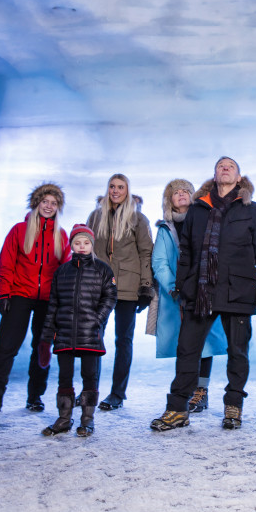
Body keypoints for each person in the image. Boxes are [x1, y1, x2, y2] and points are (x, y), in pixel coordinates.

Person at [150, 157, 256, 431]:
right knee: (187, 350)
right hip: (201, 291)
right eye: (220, 166)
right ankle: (177, 408)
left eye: (230, 166)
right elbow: (187, 253)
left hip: (238, 292)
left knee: (238, 352)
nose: (225, 168)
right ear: (214, 176)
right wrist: (183, 287)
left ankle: (233, 407)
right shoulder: (198, 209)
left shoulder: (254, 210)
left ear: (239, 178)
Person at [0, 183, 70, 414]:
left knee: (42, 348)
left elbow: (64, 269)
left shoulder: (61, 235)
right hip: (20, 295)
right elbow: (6, 263)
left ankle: (35, 397)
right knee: (5, 347)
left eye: (54, 203)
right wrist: (5, 293)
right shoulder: (19, 230)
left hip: (48, 299)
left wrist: (61, 300)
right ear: (36, 203)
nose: (49, 206)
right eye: (45, 201)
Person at [145, 179, 227, 413]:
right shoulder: (165, 229)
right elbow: (159, 262)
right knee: (186, 344)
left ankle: (201, 390)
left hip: (204, 289)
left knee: (206, 340)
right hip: (176, 295)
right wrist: (174, 287)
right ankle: (185, 390)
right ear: (169, 199)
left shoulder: (207, 220)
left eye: (186, 191)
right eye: (176, 192)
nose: (181, 195)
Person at [37, 224, 117, 437]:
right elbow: (53, 304)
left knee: (89, 376)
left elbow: (110, 297)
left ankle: (87, 420)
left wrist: (97, 319)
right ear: (71, 245)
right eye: (77, 243)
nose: (82, 247)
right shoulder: (62, 272)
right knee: (64, 377)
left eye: (86, 243)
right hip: (64, 334)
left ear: (92, 245)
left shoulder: (103, 270)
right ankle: (64, 418)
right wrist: (46, 338)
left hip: (89, 334)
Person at [86, 174, 154, 410]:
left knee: (123, 340)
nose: (115, 191)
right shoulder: (96, 217)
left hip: (128, 286)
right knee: (93, 338)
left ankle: (117, 393)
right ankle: (90, 390)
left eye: (120, 187)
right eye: (112, 187)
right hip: (100, 286)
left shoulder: (138, 218)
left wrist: (146, 286)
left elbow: (146, 253)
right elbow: (88, 250)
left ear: (127, 190)